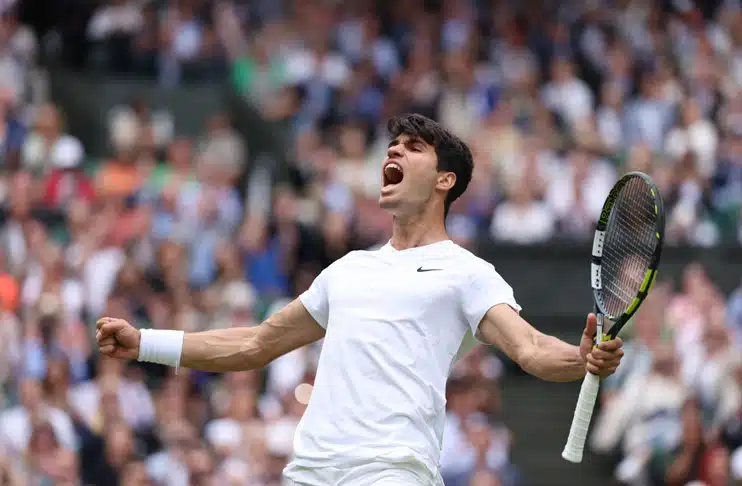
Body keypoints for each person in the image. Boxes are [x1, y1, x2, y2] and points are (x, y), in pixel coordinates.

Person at [95, 114, 625, 486]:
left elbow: (530, 349)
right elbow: (255, 344)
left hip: (391, 471)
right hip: (310, 472)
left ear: (446, 180)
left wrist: (581, 359)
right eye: (393, 146)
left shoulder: (469, 272)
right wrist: (145, 342)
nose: (393, 151)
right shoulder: (348, 269)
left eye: (413, 148)